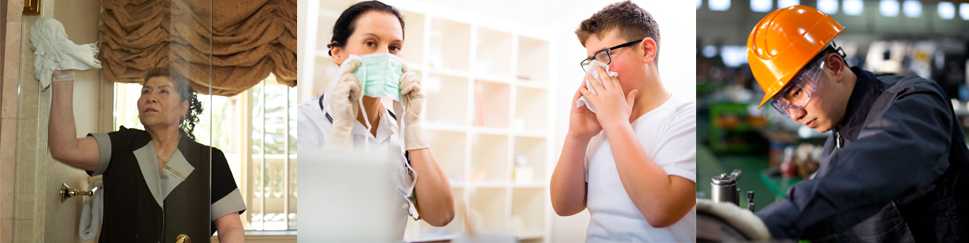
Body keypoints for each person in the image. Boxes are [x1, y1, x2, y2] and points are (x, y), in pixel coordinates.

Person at [748, 5, 969, 242]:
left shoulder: (916, 101)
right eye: (784, 105)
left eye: (798, 92)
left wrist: (772, 222)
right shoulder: (834, 148)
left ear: (834, 66)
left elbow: (877, 162)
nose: (795, 114)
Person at [297, 0, 455, 229]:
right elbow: (321, 221)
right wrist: (341, 132)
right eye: (371, 43)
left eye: (394, 48)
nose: (386, 56)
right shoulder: (304, 123)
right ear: (337, 53)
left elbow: (441, 215)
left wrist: (413, 126)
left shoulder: (397, 128)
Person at [549, 1, 696, 242]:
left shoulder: (684, 117)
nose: (597, 71)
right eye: (591, 61)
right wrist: (577, 136)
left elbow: (660, 211)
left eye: (605, 55)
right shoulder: (600, 124)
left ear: (647, 50)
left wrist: (616, 124)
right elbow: (565, 207)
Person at [47, 68, 246, 243]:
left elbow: (230, 228)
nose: (151, 97)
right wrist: (62, 77)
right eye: (146, 91)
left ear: (184, 108)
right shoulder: (120, 145)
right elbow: (65, 148)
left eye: (163, 91)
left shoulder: (210, 159)